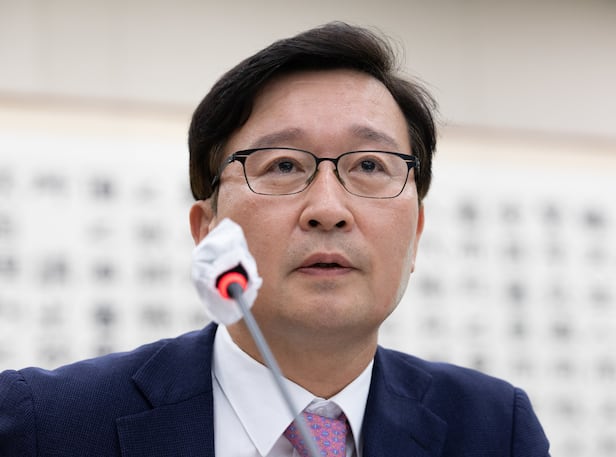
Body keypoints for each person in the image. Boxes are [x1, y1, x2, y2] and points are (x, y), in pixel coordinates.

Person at [0, 22, 549, 456]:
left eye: (369, 165)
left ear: (417, 235)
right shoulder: (46, 424)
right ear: (207, 229)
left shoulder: (494, 430)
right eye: (283, 165)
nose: (328, 210)